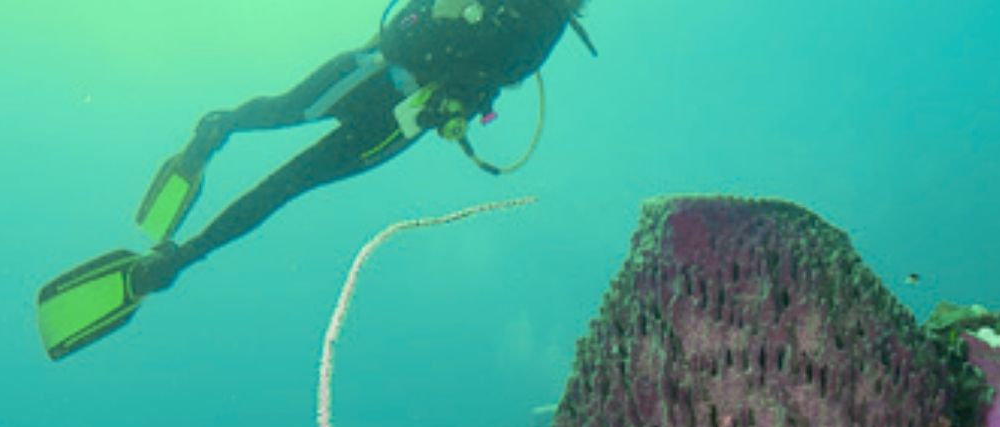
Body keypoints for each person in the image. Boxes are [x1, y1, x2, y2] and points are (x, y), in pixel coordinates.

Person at [36, 0, 593, 360]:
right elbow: (489, 70)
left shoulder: (547, 29)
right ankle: (178, 253)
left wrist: (459, 101)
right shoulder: (546, 28)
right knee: (287, 177)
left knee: (284, 137)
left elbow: (490, 77)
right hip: (387, 93)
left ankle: (209, 156)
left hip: (392, 100)